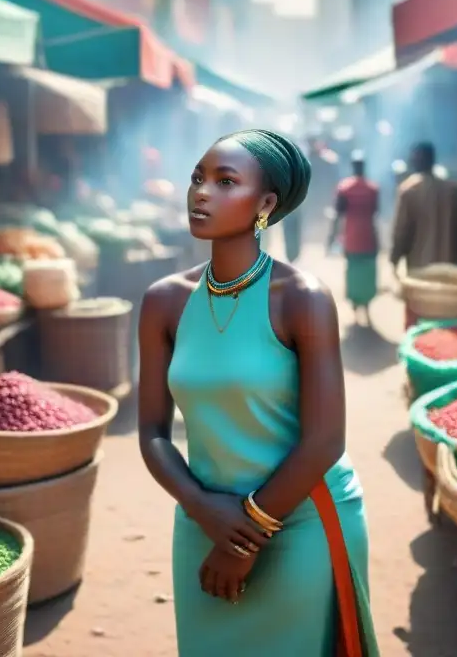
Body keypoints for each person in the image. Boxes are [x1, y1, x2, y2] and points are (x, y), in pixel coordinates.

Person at [137, 129, 378, 656]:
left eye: (225, 181)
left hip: (299, 519)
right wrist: (203, 508)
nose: (201, 192)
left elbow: (324, 441)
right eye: (198, 177)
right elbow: (152, 434)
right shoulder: (164, 302)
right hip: (202, 520)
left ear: (265, 204)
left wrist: (247, 534)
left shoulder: (302, 299)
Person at [390, 141, 457, 276]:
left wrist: (395, 259)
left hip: (420, 269)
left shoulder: (409, 190)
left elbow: (401, 232)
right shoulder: (454, 191)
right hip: (450, 268)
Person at [328, 150, 380, 325]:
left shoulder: (344, 188)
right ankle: (366, 305)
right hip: (369, 238)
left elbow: (338, 215)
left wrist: (331, 237)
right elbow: (375, 212)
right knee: (367, 273)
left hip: (351, 239)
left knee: (353, 272)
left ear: (353, 167)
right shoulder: (373, 189)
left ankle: (356, 305)